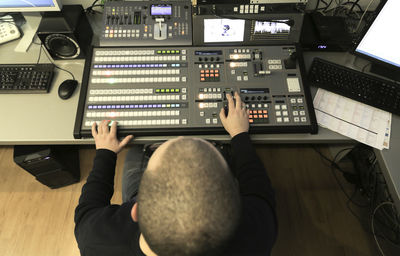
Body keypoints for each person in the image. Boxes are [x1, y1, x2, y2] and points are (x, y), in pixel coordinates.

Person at [74, 92, 277, 256]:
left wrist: (105, 152)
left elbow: (89, 205)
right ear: (236, 208)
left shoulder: (94, 239)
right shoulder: (259, 231)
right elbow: (257, 186)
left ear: (135, 211)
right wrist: (240, 135)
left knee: (137, 149)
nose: (181, 136)